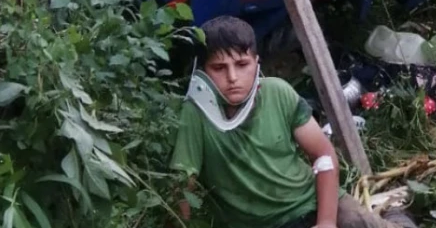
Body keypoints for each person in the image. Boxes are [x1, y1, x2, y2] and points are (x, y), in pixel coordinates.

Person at [170, 15, 400, 228]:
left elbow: (323, 155)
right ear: (203, 72)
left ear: (256, 63)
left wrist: (327, 222)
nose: (232, 77)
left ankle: (398, 217)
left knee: (362, 223)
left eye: (242, 65)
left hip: (314, 201)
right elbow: (183, 183)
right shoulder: (196, 114)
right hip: (264, 224)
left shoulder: (278, 93)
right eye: (219, 68)